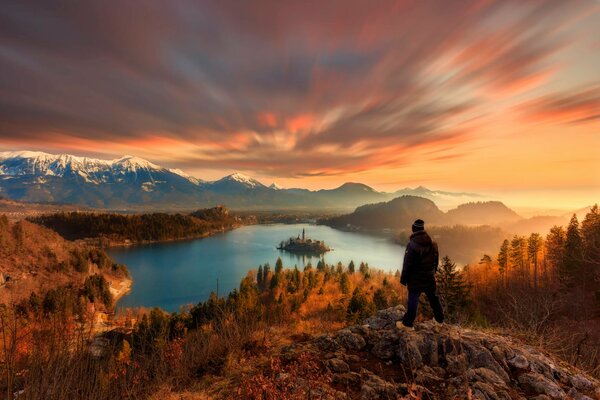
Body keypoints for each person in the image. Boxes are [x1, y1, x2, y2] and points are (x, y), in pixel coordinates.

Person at [399, 219, 444, 328]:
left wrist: (403, 279)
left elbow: (407, 264)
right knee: (434, 298)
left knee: (413, 300)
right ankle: (439, 321)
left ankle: (408, 324)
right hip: (429, 277)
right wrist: (434, 272)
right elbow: (436, 261)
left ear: (413, 229)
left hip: (415, 279)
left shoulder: (412, 245)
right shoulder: (433, 243)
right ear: (423, 229)